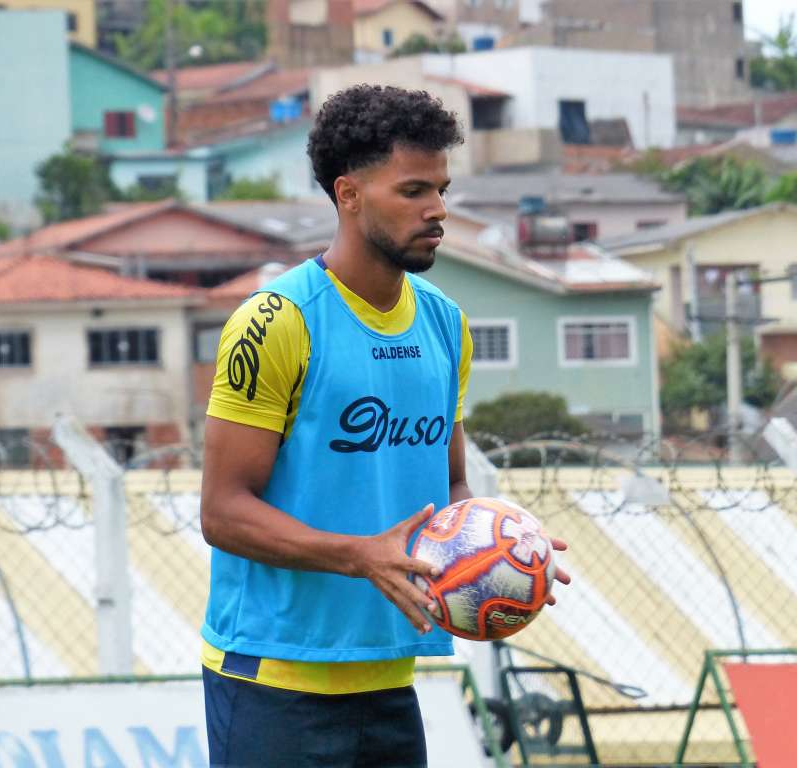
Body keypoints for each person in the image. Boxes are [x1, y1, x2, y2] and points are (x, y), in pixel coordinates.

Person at [199, 84, 570, 767]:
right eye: (414, 191)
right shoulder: (275, 321)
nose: (438, 211)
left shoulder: (444, 323)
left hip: (391, 677)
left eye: (443, 190)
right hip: (275, 677)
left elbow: (452, 486)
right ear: (349, 194)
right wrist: (358, 553)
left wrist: (508, 545)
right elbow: (223, 513)